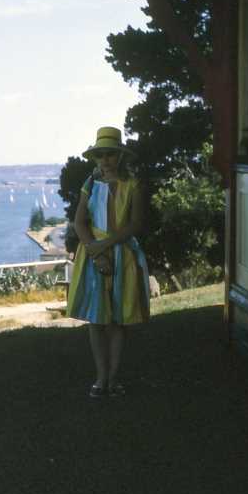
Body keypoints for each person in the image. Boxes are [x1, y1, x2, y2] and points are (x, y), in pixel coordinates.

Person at [66, 126, 150, 398]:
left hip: (122, 255)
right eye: (100, 155)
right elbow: (79, 222)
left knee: (117, 320)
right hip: (94, 254)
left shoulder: (133, 185)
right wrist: (96, 252)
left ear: (120, 156)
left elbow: (135, 224)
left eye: (110, 154)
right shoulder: (89, 185)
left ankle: (113, 379)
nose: (105, 160)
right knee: (96, 319)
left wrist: (104, 245)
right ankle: (100, 377)